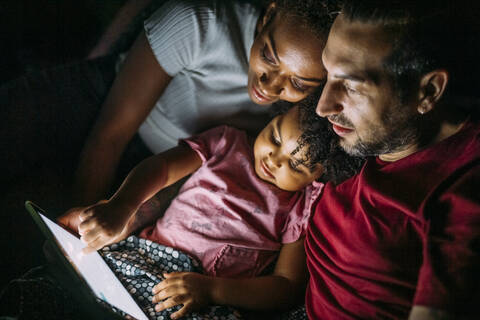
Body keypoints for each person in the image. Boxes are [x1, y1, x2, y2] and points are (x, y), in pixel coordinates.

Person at [0, 0, 333, 286]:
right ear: (269, 14)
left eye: (299, 82)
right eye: (269, 57)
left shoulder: (308, 117)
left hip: (175, 166)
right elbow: (109, 137)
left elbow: (186, 180)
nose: (271, 85)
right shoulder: (201, 23)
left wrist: (99, 238)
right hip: (105, 104)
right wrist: (88, 233)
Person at [56, 102, 361, 319]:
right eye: (275, 137)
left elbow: (287, 287)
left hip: (199, 293)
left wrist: (214, 291)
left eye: (296, 165)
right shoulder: (227, 143)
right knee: (73, 282)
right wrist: (121, 206)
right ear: (274, 118)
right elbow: (162, 169)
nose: (275, 159)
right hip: (144, 251)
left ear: (318, 177)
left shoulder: (300, 207)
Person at [304, 0, 480, 319]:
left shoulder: (465, 187)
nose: (323, 105)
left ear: (428, 91)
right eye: (327, 74)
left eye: (352, 87)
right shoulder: (368, 137)